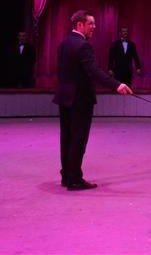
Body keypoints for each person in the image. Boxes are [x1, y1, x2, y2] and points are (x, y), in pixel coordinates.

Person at [54, 11, 132, 190]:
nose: (94, 27)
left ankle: (67, 175)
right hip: (80, 99)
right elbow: (94, 71)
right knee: (78, 139)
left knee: (66, 137)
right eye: (91, 24)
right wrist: (117, 85)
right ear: (80, 25)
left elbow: (62, 71)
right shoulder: (83, 45)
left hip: (64, 96)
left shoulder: (64, 43)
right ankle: (74, 179)